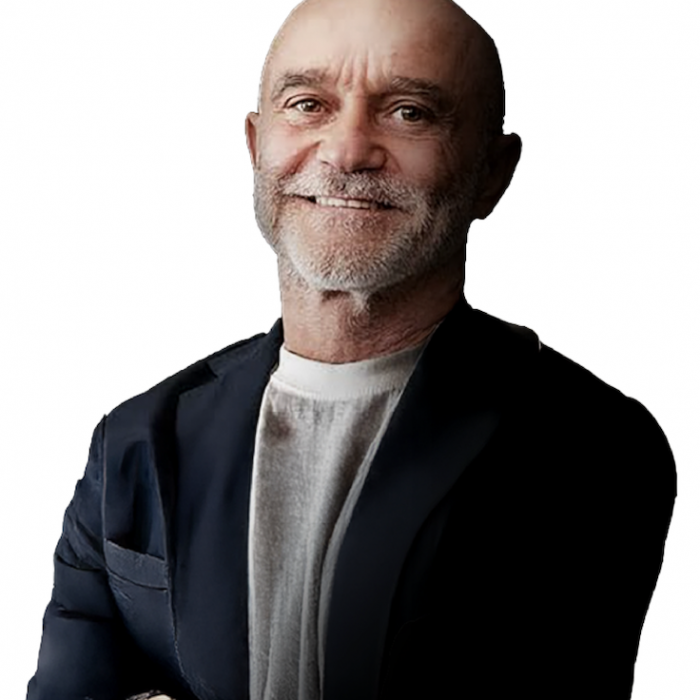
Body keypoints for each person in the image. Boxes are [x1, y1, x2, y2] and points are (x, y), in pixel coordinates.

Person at [27, 0, 676, 698]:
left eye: (409, 113)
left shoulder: (591, 443)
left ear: (493, 172)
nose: (346, 151)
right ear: (256, 146)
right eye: (308, 104)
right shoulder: (134, 439)